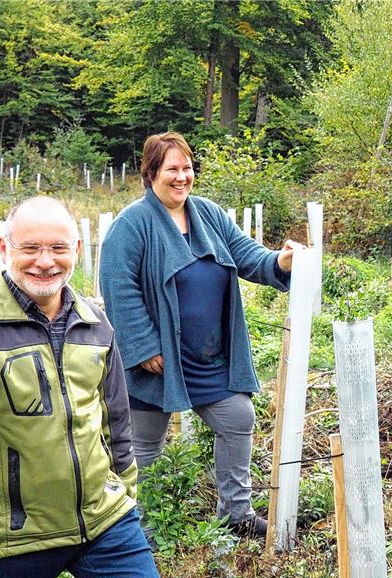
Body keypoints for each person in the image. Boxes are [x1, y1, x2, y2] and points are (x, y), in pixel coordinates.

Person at [0, 197, 175, 578]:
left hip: (103, 520)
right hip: (18, 534)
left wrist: (124, 491)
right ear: (5, 249)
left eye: (58, 248)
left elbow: (117, 419)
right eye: (31, 248)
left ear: (77, 249)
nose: (46, 262)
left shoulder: (95, 324)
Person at [99, 131, 302, 538]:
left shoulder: (208, 214)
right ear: (151, 173)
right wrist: (142, 347)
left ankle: (236, 513)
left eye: (187, 167)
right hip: (157, 361)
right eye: (172, 168)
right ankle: (147, 526)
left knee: (238, 418)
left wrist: (280, 260)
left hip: (210, 356)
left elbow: (247, 255)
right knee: (146, 443)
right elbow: (118, 287)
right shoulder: (132, 225)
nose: (182, 176)